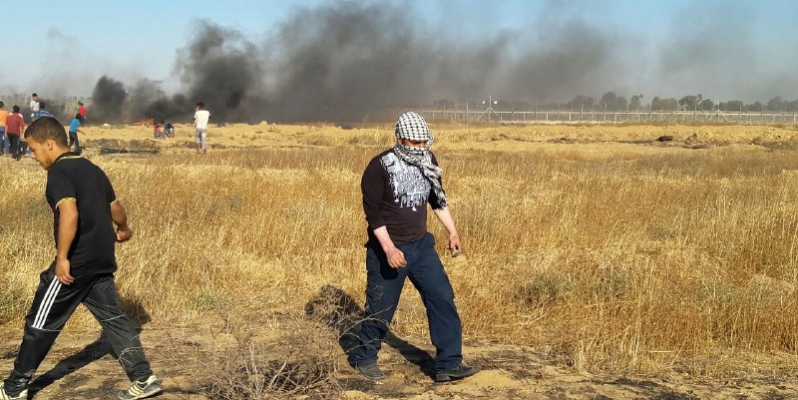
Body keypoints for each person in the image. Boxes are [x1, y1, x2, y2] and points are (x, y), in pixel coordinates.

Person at [0, 116, 162, 400]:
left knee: (40, 322)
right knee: (115, 320)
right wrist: (124, 228)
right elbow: (115, 208)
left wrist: (63, 257)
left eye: (34, 149)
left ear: (50, 144)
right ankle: (144, 378)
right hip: (101, 260)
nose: (33, 156)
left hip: (76, 263)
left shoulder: (59, 173)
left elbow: (70, 214)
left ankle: (14, 388)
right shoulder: (93, 169)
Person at [347, 111, 480, 382]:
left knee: (442, 298)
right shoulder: (379, 167)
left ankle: (449, 364)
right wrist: (389, 249)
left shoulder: (428, 160)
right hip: (388, 250)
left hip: (421, 247)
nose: (420, 148)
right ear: (399, 139)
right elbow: (374, 215)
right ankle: (365, 358)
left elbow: (437, 199)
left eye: (424, 142)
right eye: (414, 143)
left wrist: (452, 231)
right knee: (381, 308)